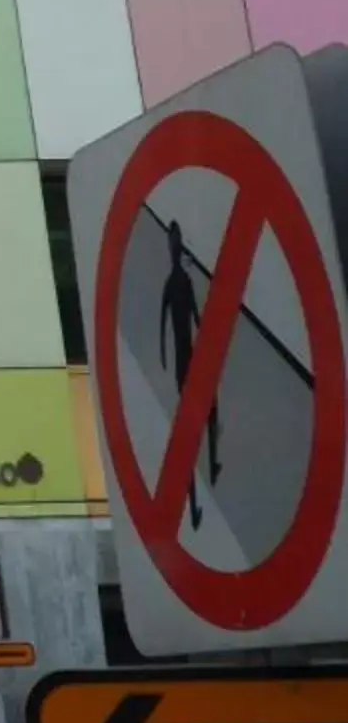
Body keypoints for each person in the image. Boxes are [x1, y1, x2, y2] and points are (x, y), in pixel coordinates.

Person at [158, 218, 222, 530]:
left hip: (185, 361)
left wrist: (163, 357)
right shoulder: (181, 282)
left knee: (199, 421)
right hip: (190, 359)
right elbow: (195, 318)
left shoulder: (172, 283)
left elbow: (164, 324)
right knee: (201, 421)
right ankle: (203, 479)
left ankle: (208, 473)